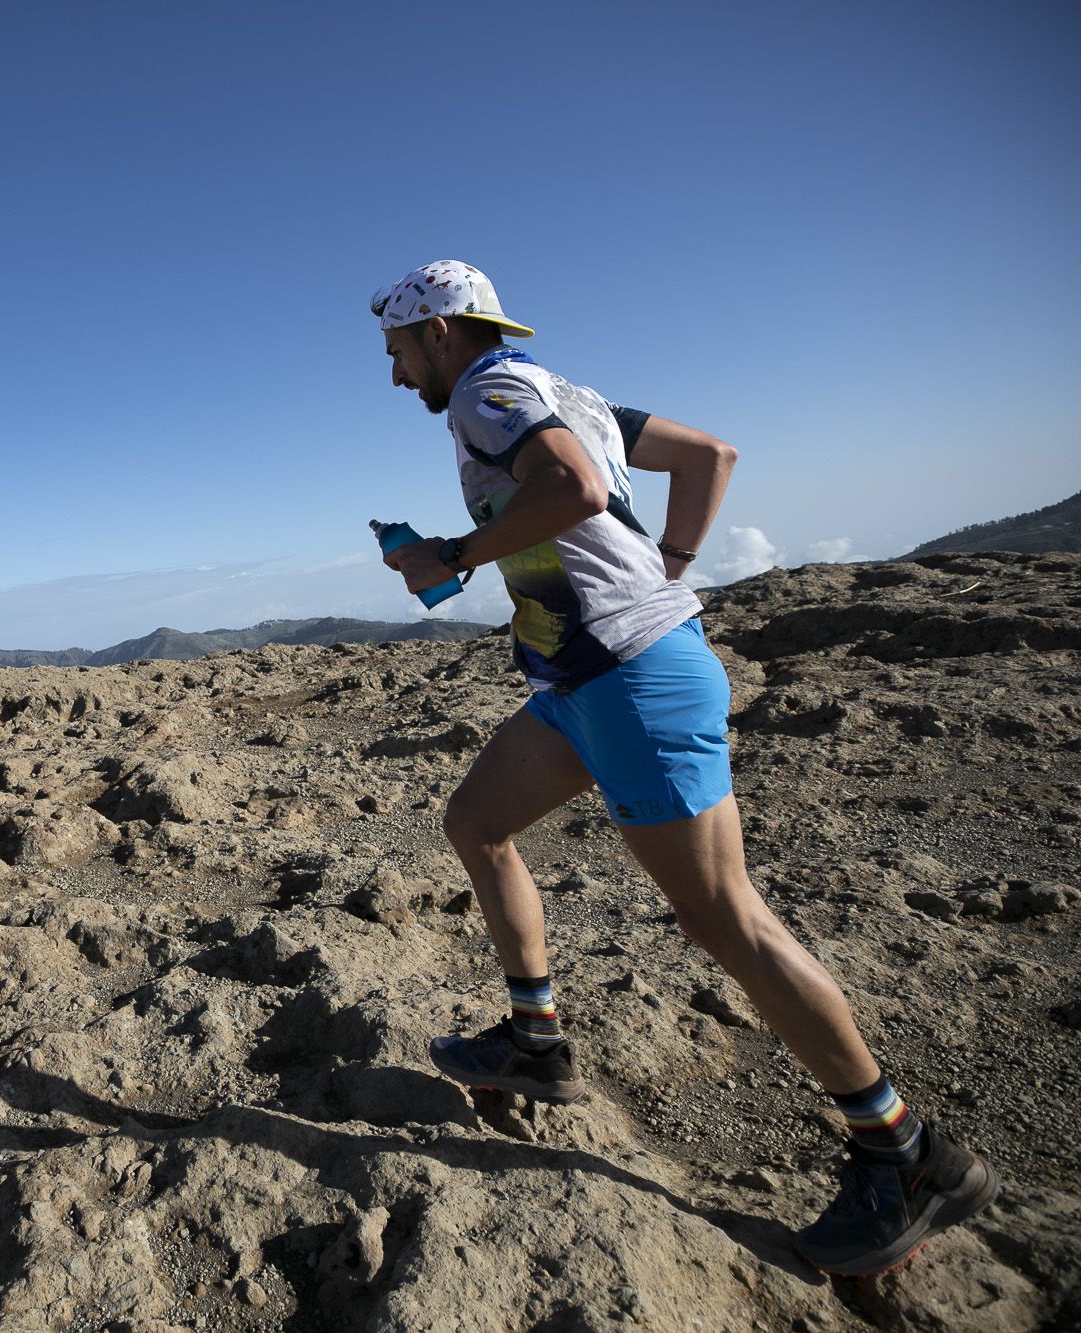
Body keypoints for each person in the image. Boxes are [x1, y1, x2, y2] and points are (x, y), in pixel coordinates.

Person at [368, 261, 996, 1277]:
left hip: (631, 682)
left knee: (725, 919)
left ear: (437, 331)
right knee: (474, 822)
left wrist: (459, 554)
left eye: (395, 351)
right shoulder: (566, 394)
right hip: (582, 681)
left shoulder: (488, 392)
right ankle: (535, 1041)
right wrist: (666, 561)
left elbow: (569, 488)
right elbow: (711, 453)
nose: (394, 375)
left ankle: (904, 1151)